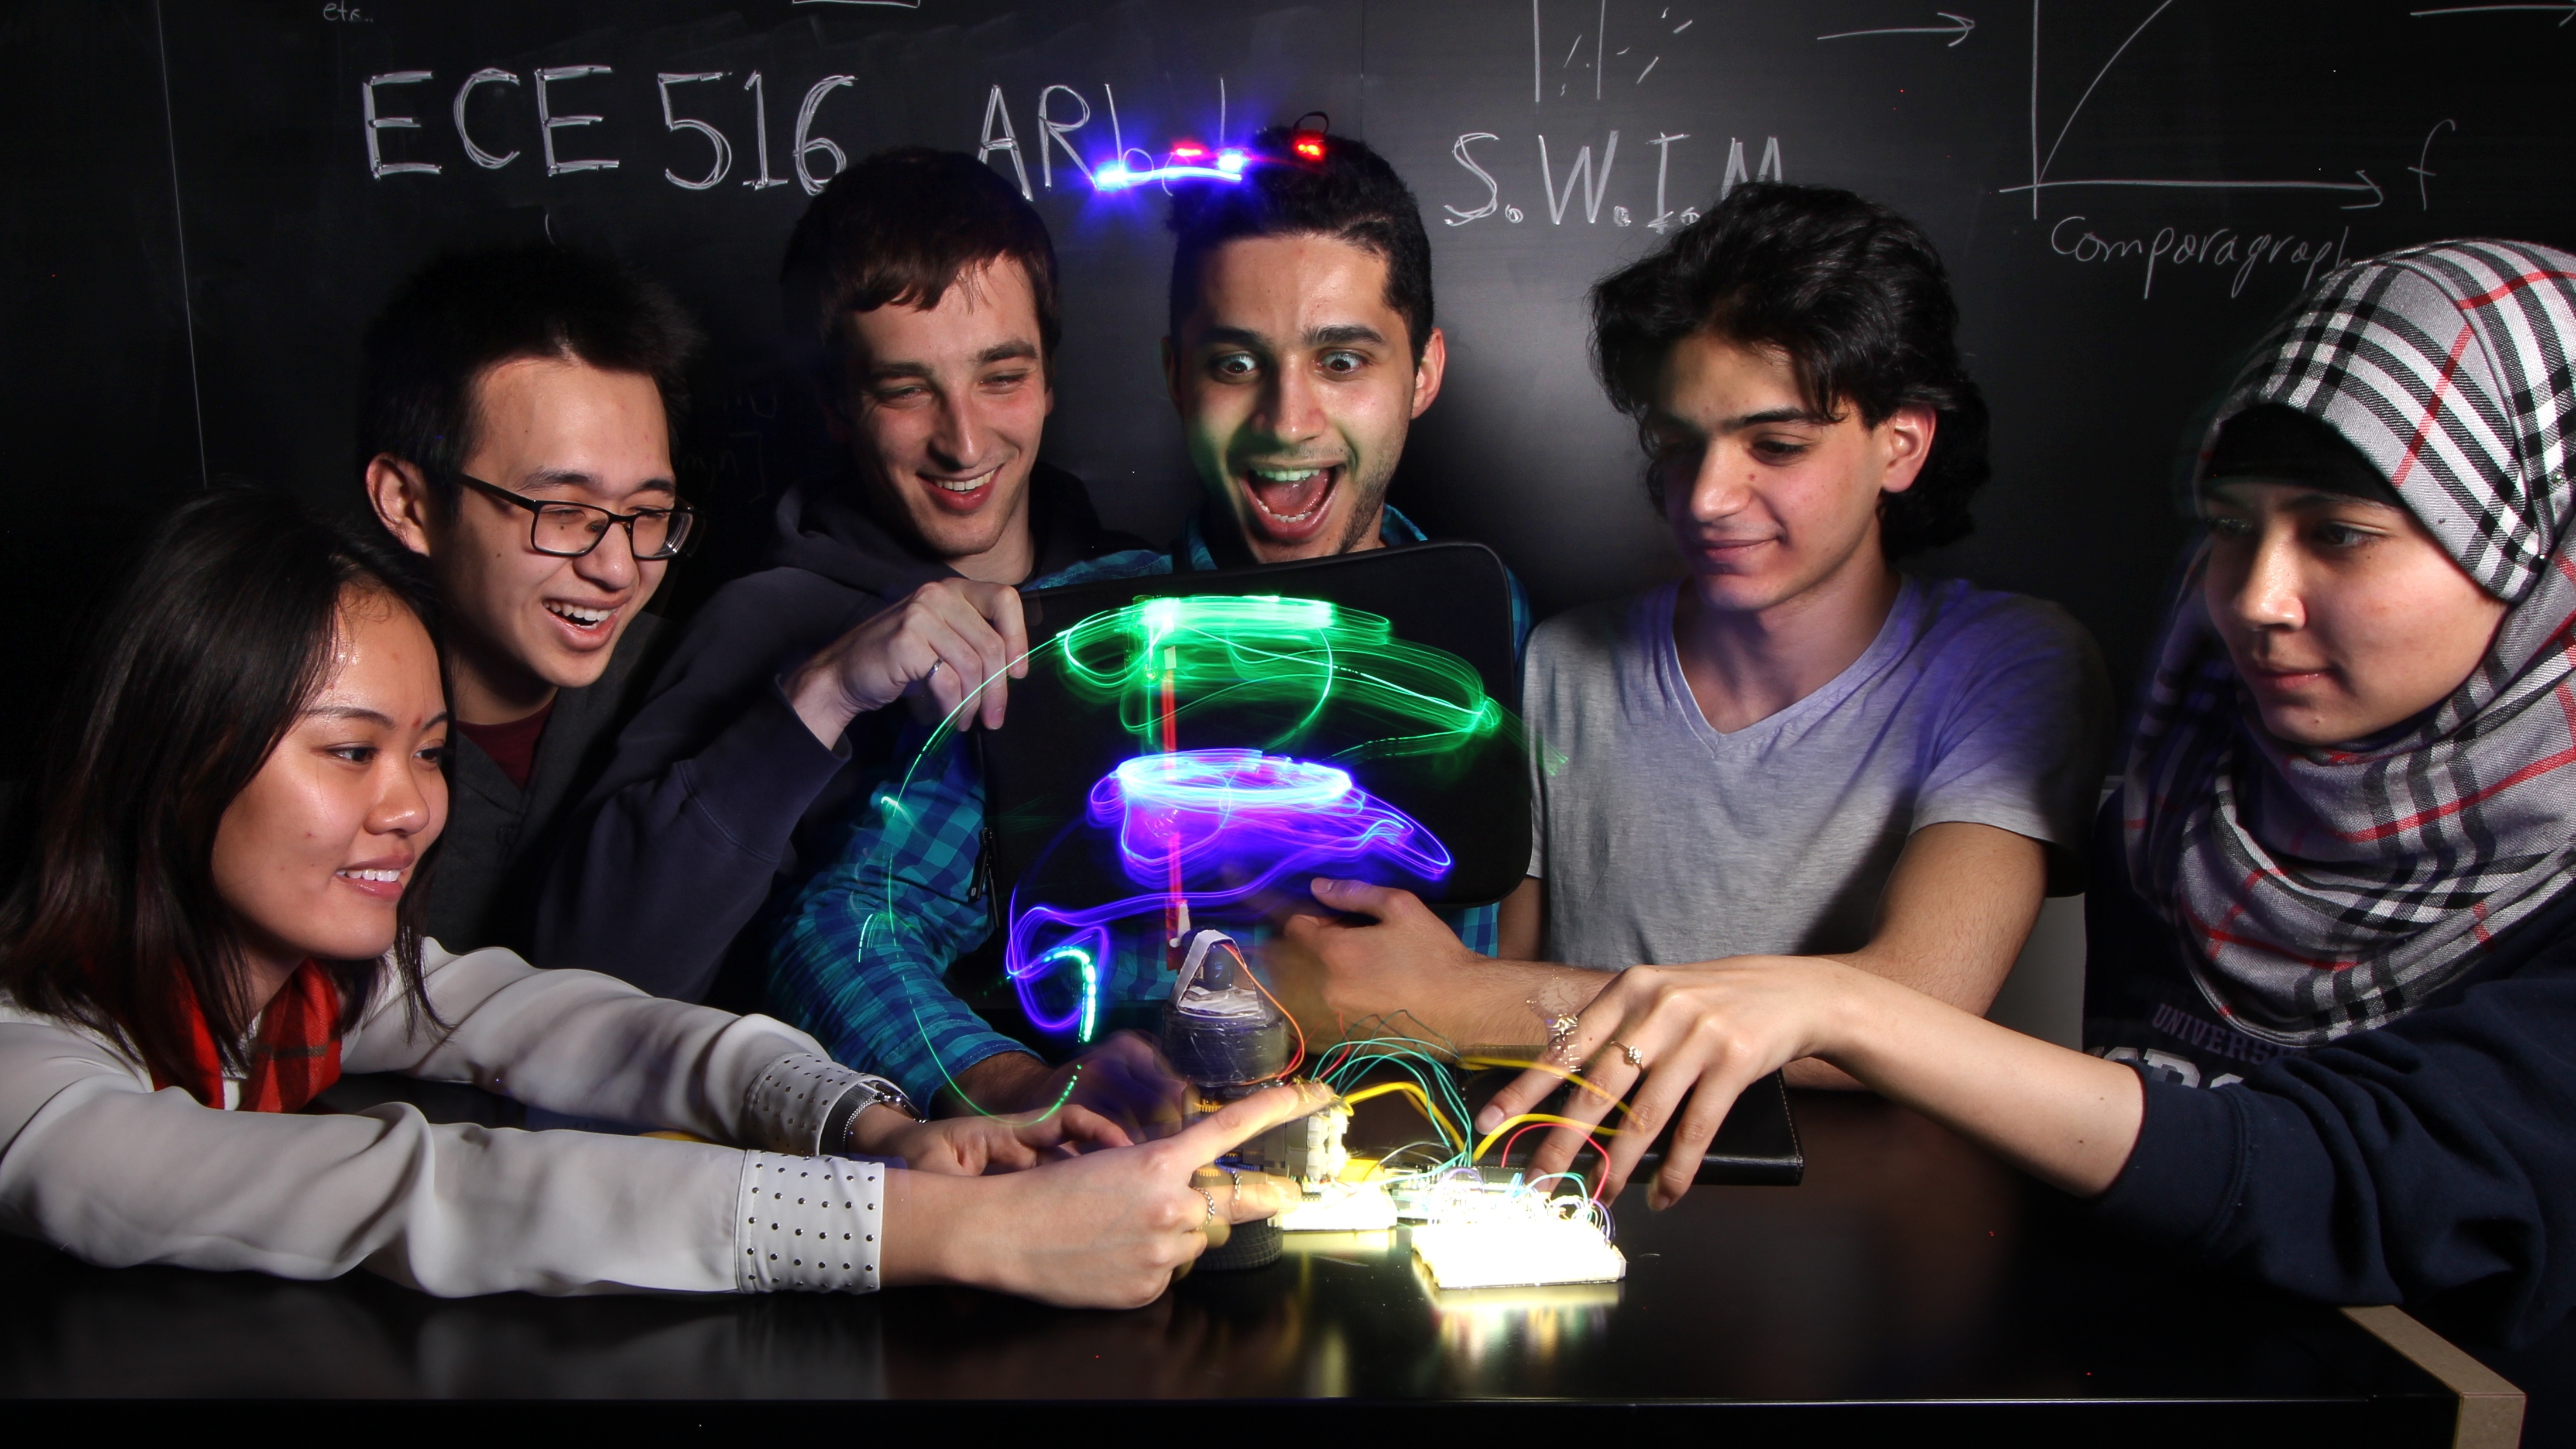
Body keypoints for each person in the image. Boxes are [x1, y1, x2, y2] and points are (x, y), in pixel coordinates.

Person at [1465, 239, 2576, 1348]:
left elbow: (2340, 1179)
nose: (2253, 600)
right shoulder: (2197, 789)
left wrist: (1840, 1004)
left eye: (2340, 534)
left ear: (2536, 546)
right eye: (2232, 527)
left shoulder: (2013, 665)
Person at [0, 486, 1311, 1305]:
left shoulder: (308, 983)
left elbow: (571, 1021)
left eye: (432, 752)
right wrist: (956, 1230)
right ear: (175, 761)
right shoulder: (29, 1082)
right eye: (350, 751)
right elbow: (438, 1193)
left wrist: (869, 1126)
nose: (412, 807)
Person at [767, 125, 1527, 1115]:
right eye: (1235, 364)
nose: (1287, 421)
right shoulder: (1067, 647)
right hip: (1141, 1189)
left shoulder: (1508, 637)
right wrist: (1020, 1087)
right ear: (1175, 376)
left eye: (1341, 361)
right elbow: (840, 926)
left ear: (1422, 372)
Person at [1279, 183, 2108, 1087]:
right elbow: (1496, 1027)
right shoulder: (1563, 665)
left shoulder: (2009, 664)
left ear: (1901, 445)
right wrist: (1463, 1001)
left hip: (1869, 1176)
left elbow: (1919, 1016)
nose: (1708, 498)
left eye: (1776, 446)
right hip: (1576, 1167)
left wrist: (1460, 999)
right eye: (1679, 446)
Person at [537, 148, 1152, 1004]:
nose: (963, 442)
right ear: (835, 407)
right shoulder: (759, 625)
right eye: (906, 391)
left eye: (1002, 378)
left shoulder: (1143, 598)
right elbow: (585, 978)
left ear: (1050, 378)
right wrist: (823, 692)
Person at [359, 245, 702, 959]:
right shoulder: (303, 737)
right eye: (563, 511)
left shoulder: (692, 684)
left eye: (647, 514)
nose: (617, 569)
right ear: (409, 503)